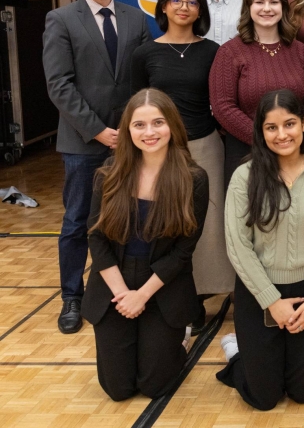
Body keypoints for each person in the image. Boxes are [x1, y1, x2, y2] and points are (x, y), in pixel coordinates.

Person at [43, 0, 151, 334]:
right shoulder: (61, 19)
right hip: (83, 143)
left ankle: (117, 289)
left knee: (126, 219)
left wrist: (129, 131)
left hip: (128, 141)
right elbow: (59, 85)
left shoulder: (136, 19)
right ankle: (71, 296)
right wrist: (99, 131)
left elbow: (140, 81)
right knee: (76, 221)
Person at [216, 89, 304, 410]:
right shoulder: (244, 177)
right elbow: (238, 246)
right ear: (261, 131)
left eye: (289, 124)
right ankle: (237, 354)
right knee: (264, 398)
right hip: (259, 292)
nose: (281, 134)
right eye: (271, 127)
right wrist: (272, 303)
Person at [82, 88, 209, 400]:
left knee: (155, 386)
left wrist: (142, 296)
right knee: (118, 388)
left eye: (158, 123)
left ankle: (180, 338)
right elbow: (96, 238)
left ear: (172, 127)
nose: (149, 132)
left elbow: (183, 250)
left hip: (162, 285)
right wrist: (124, 294)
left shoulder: (194, 179)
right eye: (139, 125)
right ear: (127, 130)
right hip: (116, 286)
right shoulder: (108, 174)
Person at [132, 0, 233, 323]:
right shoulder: (145, 53)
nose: (184, 7)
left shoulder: (212, 51)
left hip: (205, 145)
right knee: (166, 222)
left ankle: (202, 294)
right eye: (176, 0)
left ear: (200, 10)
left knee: (207, 224)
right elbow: (135, 107)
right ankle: (168, 291)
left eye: (192, 2)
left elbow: (220, 100)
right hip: (159, 151)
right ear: (163, 6)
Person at [210, 0, 304, 185]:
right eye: (259, 2)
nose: (267, 8)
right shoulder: (229, 53)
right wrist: (266, 138)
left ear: (283, 8)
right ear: (248, 7)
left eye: (274, 2)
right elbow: (223, 106)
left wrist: (289, 140)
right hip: (245, 155)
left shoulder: (301, 52)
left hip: (293, 155)